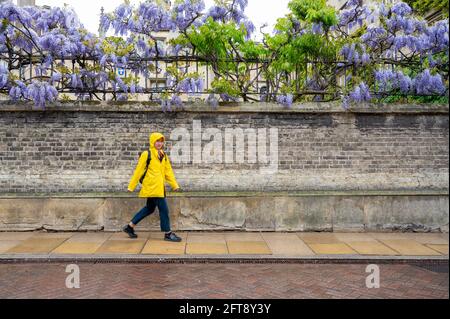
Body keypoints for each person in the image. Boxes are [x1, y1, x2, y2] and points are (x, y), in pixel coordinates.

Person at [123, 132, 182, 242]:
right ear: (152, 142)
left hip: (160, 187)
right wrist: (131, 186)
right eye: (157, 141)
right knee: (164, 210)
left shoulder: (163, 155)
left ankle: (129, 227)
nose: (159, 143)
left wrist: (175, 185)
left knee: (149, 208)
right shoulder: (147, 154)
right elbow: (138, 171)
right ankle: (168, 233)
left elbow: (168, 171)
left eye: (161, 141)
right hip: (152, 187)